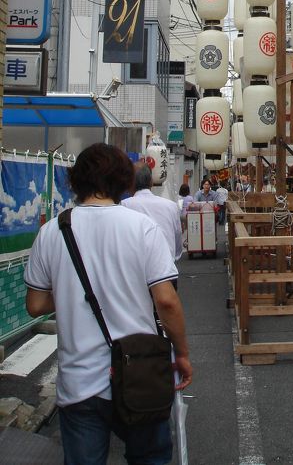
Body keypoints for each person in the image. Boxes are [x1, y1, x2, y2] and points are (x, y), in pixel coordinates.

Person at [24, 143, 192, 465]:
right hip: (141, 373)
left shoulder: (51, 232)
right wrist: (181, 354)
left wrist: (72, 293)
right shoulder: (142, 228)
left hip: (80, 383)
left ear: (75, 182)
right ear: (123, 182)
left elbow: (35, 304)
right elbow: (167, 301)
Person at [122, 162, 183, 262]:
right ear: (151, 182)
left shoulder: (124, 206)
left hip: (135, 269)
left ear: (129, 183)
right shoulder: (171, 206)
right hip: (166, 270)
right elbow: (177, 243)